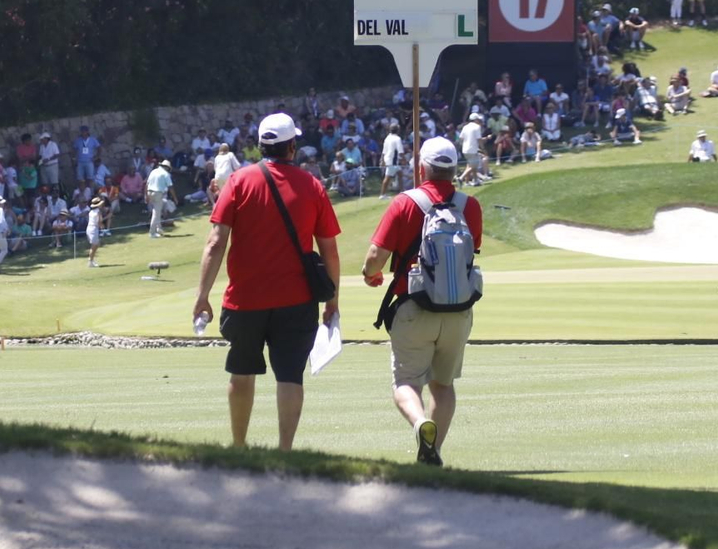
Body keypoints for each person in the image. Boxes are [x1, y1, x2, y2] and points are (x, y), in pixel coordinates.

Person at [193, 112, 341, 451]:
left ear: (260, 148)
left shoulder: (239, 182)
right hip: (297, 299)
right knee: (290, 375)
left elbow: (216, 242)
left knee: (241, 372)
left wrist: (202, 296)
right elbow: (329, 250)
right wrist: (332, 300)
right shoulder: (311, 185)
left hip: (244, 299)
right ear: (292, 147)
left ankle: (239, 445)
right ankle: (285, 450)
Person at [359, 137, 483, 466]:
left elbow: (376, 256)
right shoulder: (469, 205)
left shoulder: (404, 202)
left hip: (414, 307)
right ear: (454, 169)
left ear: (421, 168)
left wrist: (370, 274)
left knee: (405, 383)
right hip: (458, 311)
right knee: (443, 385)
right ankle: (433, 452)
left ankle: (419, 423)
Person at [147, 159, 175, 238]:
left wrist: (146, 195)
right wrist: (175, 198)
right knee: (156, 212)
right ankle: (152, 232)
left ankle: (158, 229)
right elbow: (170, 187)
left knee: (156, 211)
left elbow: (147, 183)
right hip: (158, 193)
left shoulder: (154, 171)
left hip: (150, 192)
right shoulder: (165, 174)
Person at [379, 124, 405, 198]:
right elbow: (400, 151)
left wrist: (382, 160)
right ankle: (382, 194)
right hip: (393, 161)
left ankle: (402, 192)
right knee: (387, 177)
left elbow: (384, 151)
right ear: (398, 130)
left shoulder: (387, 138)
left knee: (400, 174)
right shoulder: (397, 138)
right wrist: (404, 160)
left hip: (389, 160)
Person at [85, 195, 104, 267]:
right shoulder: (98, 212)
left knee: (96, 245)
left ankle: (91, 260)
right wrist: (102, 228)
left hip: (90, 228)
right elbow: (100, 221)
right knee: (94, 246)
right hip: (93, 229)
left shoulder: (91, 212)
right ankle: (90, 261)